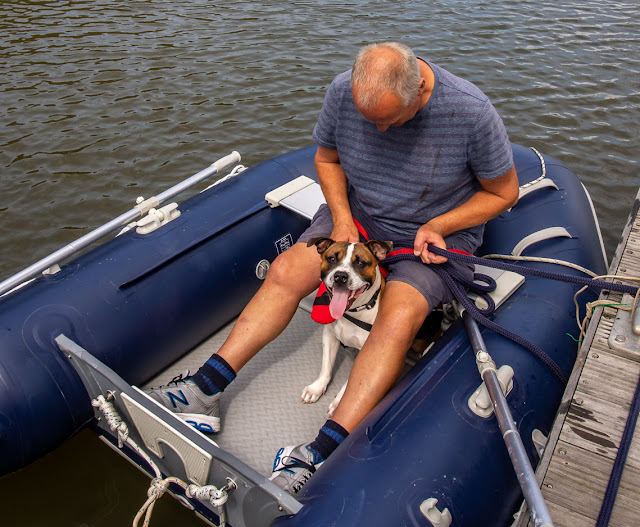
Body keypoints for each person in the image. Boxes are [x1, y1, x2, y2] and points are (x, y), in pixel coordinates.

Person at [147, 42, 519, 495]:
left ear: (420, 88)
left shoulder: (471, 112)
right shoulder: (345, 91)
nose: (379, 129)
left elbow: (503, 193)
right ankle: (204, 391)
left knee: (398, 313)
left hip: (434, 236)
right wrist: (342, 219)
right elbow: (327, 159)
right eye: (370, 120)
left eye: (389, 119)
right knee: (286, 271)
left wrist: (440, 224)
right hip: (357, 217)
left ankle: (318, 453)